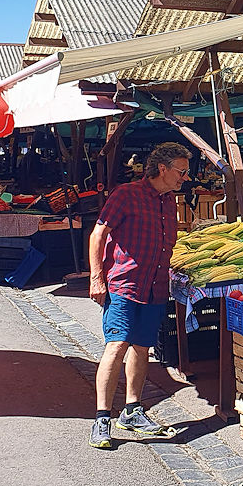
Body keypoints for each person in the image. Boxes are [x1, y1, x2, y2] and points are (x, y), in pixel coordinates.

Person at [88, 142, 191, 450]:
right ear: (163, 168)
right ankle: (102, 418)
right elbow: (98, 234)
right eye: (181, 171)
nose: (185, 177)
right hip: (125, 284)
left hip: (156, 286)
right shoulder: (126, 194)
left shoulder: (169, 201)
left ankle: (132, 410)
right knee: (117, 345)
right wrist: (96, 278)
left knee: (142, 347)